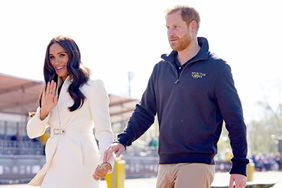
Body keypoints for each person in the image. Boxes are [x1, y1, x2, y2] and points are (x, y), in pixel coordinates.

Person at [103, 5, 249, 188]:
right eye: (167, 28)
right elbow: (145, 111)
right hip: (165, 164)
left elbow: (234, 119)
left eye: (176, 27)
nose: (170, 33)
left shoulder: (217, 68)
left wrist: (240, 165)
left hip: (197, 163)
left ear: (193, 26)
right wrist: (123, 140)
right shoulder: (160, 69)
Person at [26, 36, 113, 188]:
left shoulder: (93, 87)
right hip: (54, 161)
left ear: (73, 55)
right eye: (52, 57)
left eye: (62, 55)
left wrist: (106, 162)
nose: (56, 62)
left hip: (83, 160)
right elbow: (32, 132)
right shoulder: (50, 90)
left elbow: (104, 132)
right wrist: (44, 111)